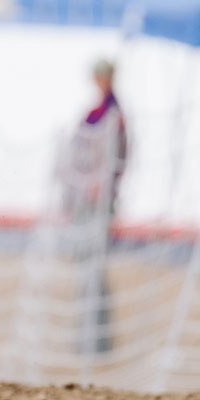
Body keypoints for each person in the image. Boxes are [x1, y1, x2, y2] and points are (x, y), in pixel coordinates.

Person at [60, 59, 128, 354]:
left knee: (94, 267)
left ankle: (98, 338)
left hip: (98, 202)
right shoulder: (97, 114)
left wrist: (105, 188)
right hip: (85, 199)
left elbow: (117, 159)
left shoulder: (113, 115)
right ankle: (91, 335)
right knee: (86, 266)